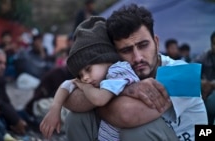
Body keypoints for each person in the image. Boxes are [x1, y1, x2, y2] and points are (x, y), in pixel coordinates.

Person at [63, 4, 207, 141]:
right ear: (115, 54)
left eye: (143, 45)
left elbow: (126, 114)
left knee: (137, 130)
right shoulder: (117, 70)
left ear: (156, 42)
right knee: (77, 118)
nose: (137, 58)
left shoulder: (182, 73)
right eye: (126, 50)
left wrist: (101, 98)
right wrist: (126, 90)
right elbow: (69, 98)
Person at [39, 17, 140, 140]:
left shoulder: (119, 70)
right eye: (80, 75)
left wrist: (84, 86)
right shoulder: (96, 77)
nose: (85, 78)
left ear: (105, 58)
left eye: (88, 69)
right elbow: (66, 85)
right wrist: (55, 109)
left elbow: (100, 99)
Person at [194, 31, 215, 125]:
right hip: (205, 92)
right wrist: (202, 83)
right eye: (214, 43)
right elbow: (191, 73)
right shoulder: (204, 56)